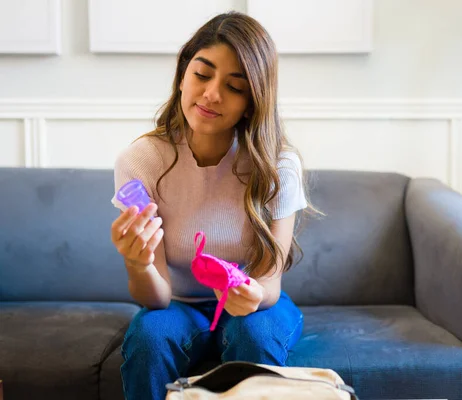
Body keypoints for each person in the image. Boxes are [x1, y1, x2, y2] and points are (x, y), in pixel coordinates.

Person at [109, 11, 318, 400]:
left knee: (254, 333)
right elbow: (154, 297)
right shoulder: (140, 161)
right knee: (149, 338)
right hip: (178, 304)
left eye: (234, 86)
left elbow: (269, 282)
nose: (211, 94)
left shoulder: (279, 167)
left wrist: (253, 294)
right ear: (183, 73)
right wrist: (136, 263)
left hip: (254, 306)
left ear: (253, 100)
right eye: (202, 75)